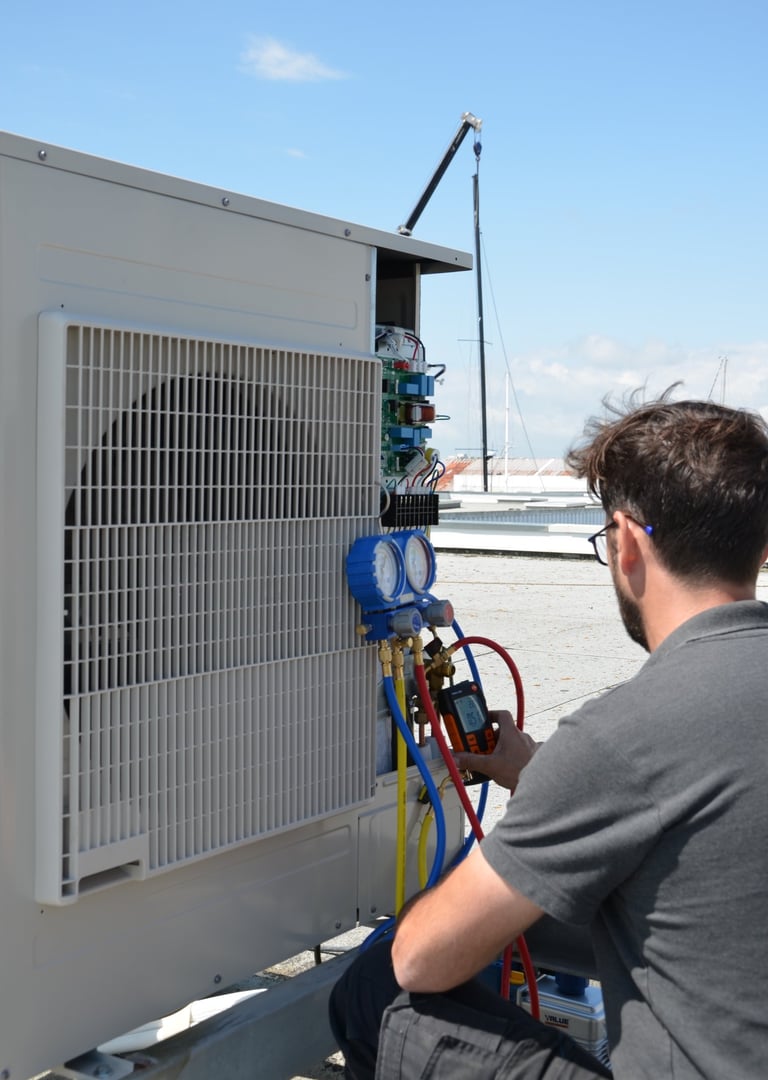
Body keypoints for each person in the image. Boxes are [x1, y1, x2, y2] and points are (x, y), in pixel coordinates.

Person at [329, 390, 768, 1079]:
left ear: (626, 543)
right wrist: (539, 774)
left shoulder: (624, 733)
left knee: (377, 987)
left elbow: (421, 959)